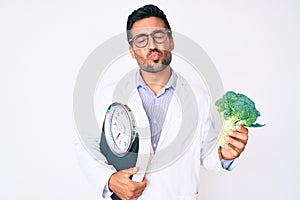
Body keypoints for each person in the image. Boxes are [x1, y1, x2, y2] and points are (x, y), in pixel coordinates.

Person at [75, 4, 249, 200]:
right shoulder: (109, 95)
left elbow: (207, 154)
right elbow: (86, 146)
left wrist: (225, 154)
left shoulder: (199, 97)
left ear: (171, 42)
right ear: (132, 51)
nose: (152, 46)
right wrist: (109, 180)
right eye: (141, 39)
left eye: (159, 36)